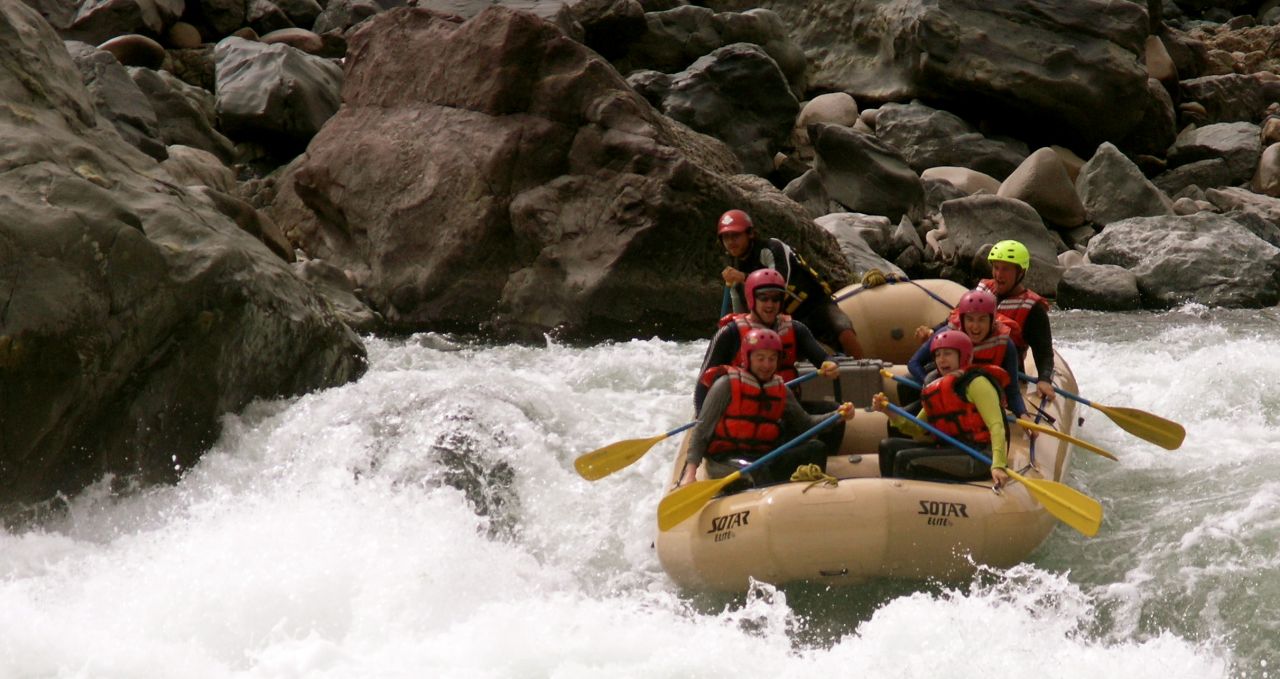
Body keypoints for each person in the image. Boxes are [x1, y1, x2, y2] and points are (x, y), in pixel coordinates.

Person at [680, 328, 856, 488]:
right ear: (748, 358)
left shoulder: (780, 389)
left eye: (772, 359)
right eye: (760, 358)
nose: (766, 365)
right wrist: (690, 474)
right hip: (724, 460)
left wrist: (837, 415)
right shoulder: (726, 385)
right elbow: (701, 430)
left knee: (815, 448)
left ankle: (806, 500)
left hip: (763, 458)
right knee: (755, 470)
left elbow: (806, 423)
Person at [716, 209, 865, 359]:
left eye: (736, 236)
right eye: (726, 237)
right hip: (788, 318)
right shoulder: (734, 267)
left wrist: (743, 277)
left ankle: (864, 369)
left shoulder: (772, 248)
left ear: (751, 234)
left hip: (816, 304)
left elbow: (779, 283)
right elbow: (739, 308)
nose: (730, 242)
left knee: (843, 328)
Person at [871, 330, 1010, 488]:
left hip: (978, 455)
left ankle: (905, 505)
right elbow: (917, 428)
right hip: (950, 449)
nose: (941, 360)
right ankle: (890, 499)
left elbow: (996, 425)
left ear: (963, 356)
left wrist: (998, 464)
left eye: (947, 353)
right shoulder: (937, 388)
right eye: (937, 355)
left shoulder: (977, 383)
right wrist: (889, 411)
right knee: (887, 446)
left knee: (905, 459)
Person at [694, 268, 838, 415]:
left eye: (775, 299)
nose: (770, 304)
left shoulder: (796, 329)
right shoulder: (730, 333)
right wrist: (701, 418)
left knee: (834, 411)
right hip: (743, 413)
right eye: (763, 298)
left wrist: (830, 364)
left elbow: (824, 359)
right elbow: (703, 384)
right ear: (751, 298)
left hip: (786, 409)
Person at [907, 290, 1027, 418]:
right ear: (962, 319)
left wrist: (1023, 414)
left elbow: (1012, 391)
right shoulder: (946, 333)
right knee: (906, 388)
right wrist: (933, 389)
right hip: (946, 395)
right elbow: (914, 363)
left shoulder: (1006, 344)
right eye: (970, 319)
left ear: (992, 320)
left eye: (982, 320)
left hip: (980, 401)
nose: (975, 327)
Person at [977, 239, 1056, 403]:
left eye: (1005, 269)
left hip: (1008, 373)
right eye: (996, 267)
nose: (998, 275)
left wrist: (1044, 379)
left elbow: (1044, 352)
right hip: (969, 364)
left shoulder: (1033, 309)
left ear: (1020, 273)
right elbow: (956, 319)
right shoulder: (982, 291)